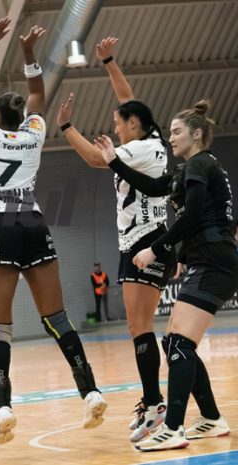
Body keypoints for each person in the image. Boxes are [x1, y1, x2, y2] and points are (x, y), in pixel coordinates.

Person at [0, 18, 106, 444]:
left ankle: (3, 406)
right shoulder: (32, 134)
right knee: (57, 317)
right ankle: (90, 392)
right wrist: (27, 53)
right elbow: (39, 95)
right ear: (21, 117)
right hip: (32, 221)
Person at [93, 100, 236, 451]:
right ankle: (211, 418)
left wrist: (155, 249)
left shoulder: (200, 164)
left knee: (180, 343)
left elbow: (192, 216)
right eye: (169, 132)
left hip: (215, 261)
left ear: (196, 134)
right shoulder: (188, 169)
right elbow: (154, 187)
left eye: (176, 132)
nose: (170, 138)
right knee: (174, 342)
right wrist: (113, 162)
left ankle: (173, 428)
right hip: (206, 260)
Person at [57, 37, 177, 442]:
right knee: (138, 327)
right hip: (145, 241)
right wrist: (108, 61)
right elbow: (130, 101)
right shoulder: (153, 142)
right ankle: (152, 400)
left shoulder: (136, 151)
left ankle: (155, 405)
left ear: (133, 126)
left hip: (144, 242)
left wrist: (66, 128)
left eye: (118, 123)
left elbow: (95, 158)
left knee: (139, 327)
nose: (114, 127)